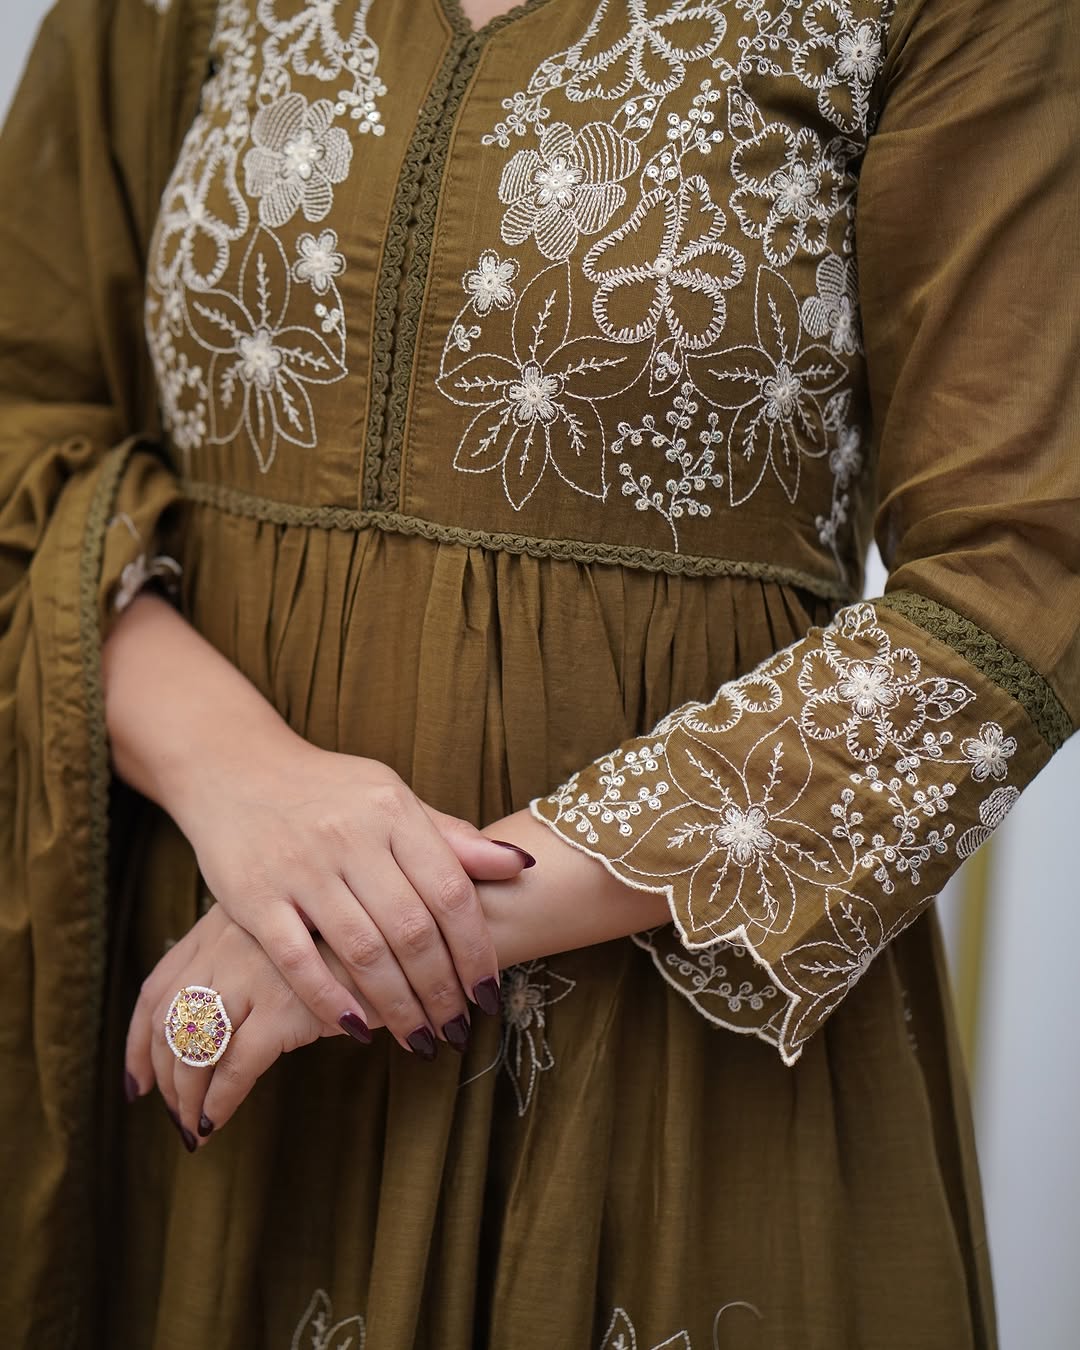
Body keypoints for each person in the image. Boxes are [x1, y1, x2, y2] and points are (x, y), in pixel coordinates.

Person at [1, 0, 1077, 1344]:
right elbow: (25, 422)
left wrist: (420, 914)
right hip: (220, 1000)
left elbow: (1019, 571)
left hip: (681, 1060)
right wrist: (243, 783)